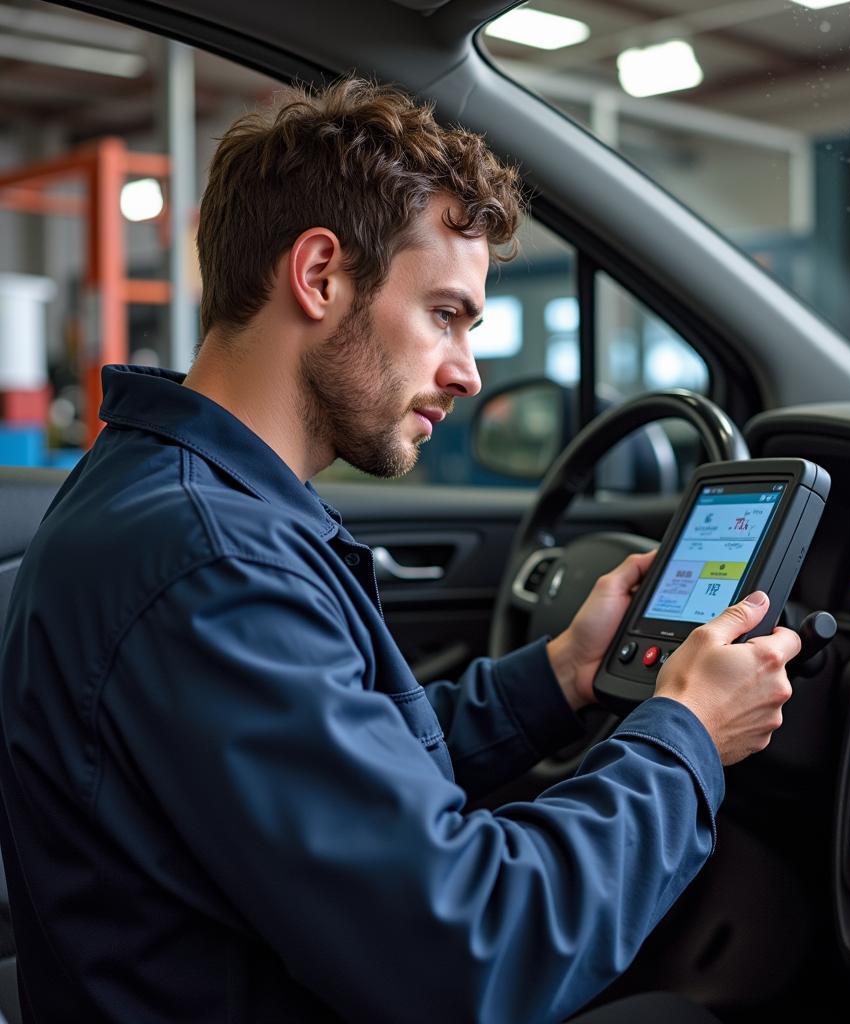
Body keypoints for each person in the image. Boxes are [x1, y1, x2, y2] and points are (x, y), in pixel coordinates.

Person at [0, 79, 799, 1023]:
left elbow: (350, 774)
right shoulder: (213, 565)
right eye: (447, 315)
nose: (466, 372)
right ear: (321, 275)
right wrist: (688, 740)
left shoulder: (174, 495)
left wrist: (560, 677)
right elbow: (477, 951)